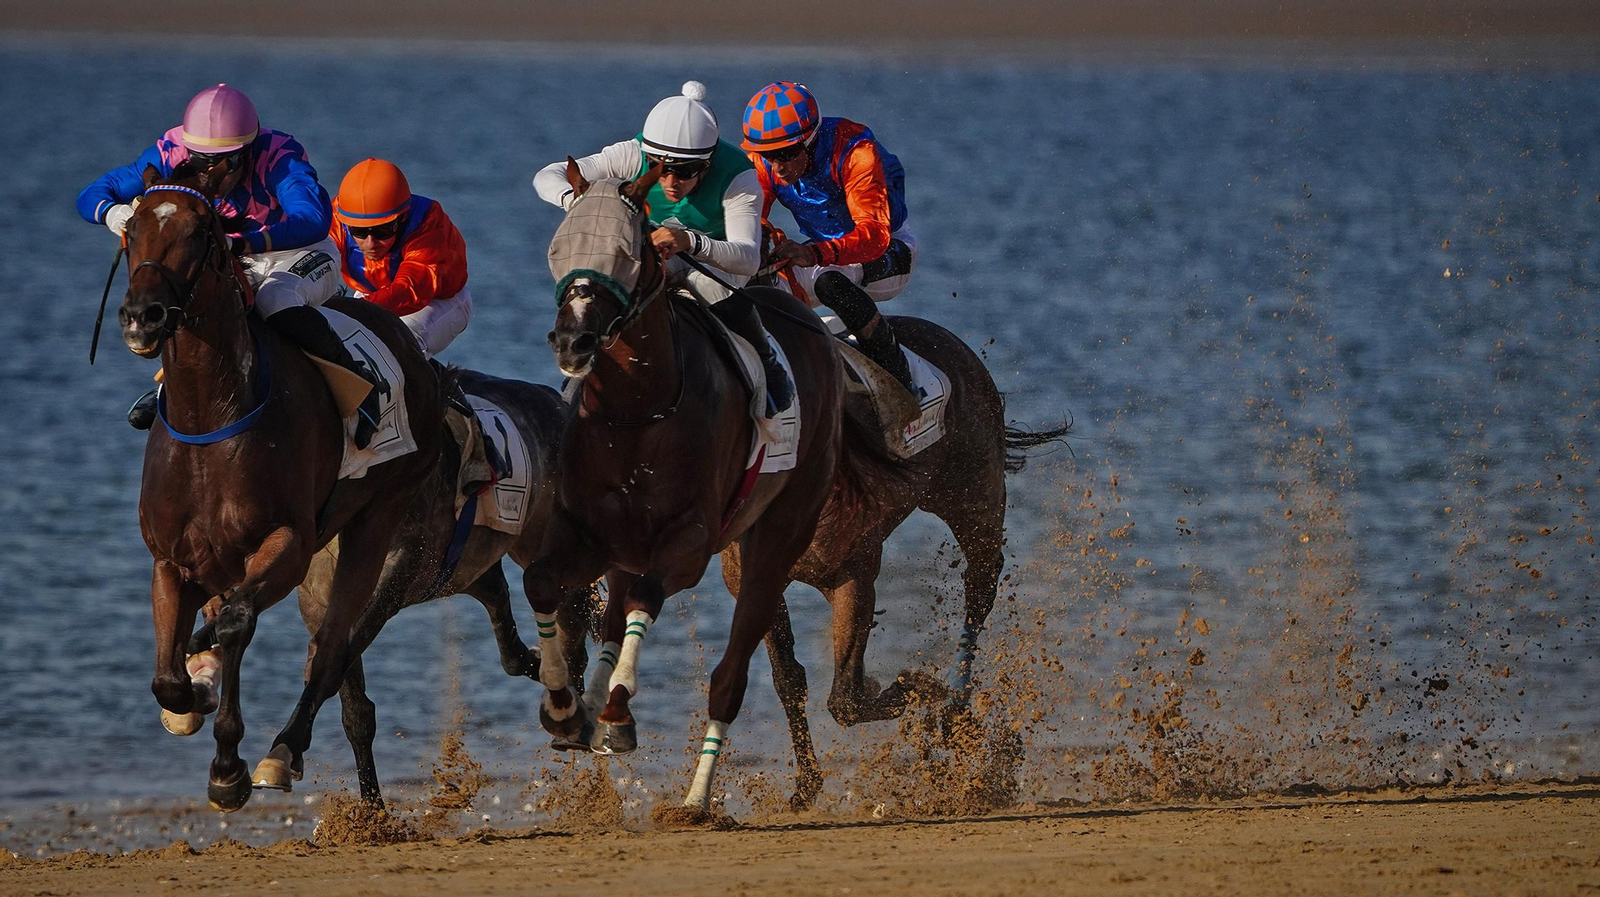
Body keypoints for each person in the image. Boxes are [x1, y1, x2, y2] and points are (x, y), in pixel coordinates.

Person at [77, 84, 383, 447]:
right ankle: (169, 392)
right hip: (233, 254)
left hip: (299, 252)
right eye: (200, 160)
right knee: (190, 292)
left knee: (274, 300)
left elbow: (313, 218)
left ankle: (359, 381)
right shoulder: (170, 151)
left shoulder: (279, 155)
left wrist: (246, 242)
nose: (211, 172)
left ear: (248, 150)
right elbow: (91, 195)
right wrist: (121, 215)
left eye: (225, 162)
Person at [533, 81, 791, 414]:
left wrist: (690, 241)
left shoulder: (739, 177)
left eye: (685, 172)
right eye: (660, 168)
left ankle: (768, 365)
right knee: (606, 285)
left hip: (714, 263)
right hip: (656, 261)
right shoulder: (631, 153)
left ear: (708, 165)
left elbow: (747, 258)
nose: (670, 183)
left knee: (707, 287)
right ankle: (583, 372)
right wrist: (577, 201)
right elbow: (548, 174)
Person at [740, 81, 917, 394]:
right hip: (824, 253)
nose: (778, 168)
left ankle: (901, 386)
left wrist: (814, 255)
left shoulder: (855, 152)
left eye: (786, 154)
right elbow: (751, 218)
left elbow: (874, 237)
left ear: (810, 140)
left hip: (887, 250)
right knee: (752, 280)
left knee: (828, 281)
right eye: (768, 155)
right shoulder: (767, 165)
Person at [331, 158, 472, 358]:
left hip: (436, 302)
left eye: (383, 230)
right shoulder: (335, 221)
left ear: (402, 218)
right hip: (370, 297)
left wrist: (349, 310)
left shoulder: (429, 226)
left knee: (397, 342)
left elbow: (410, 289)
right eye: (359, 232)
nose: (370, 243)